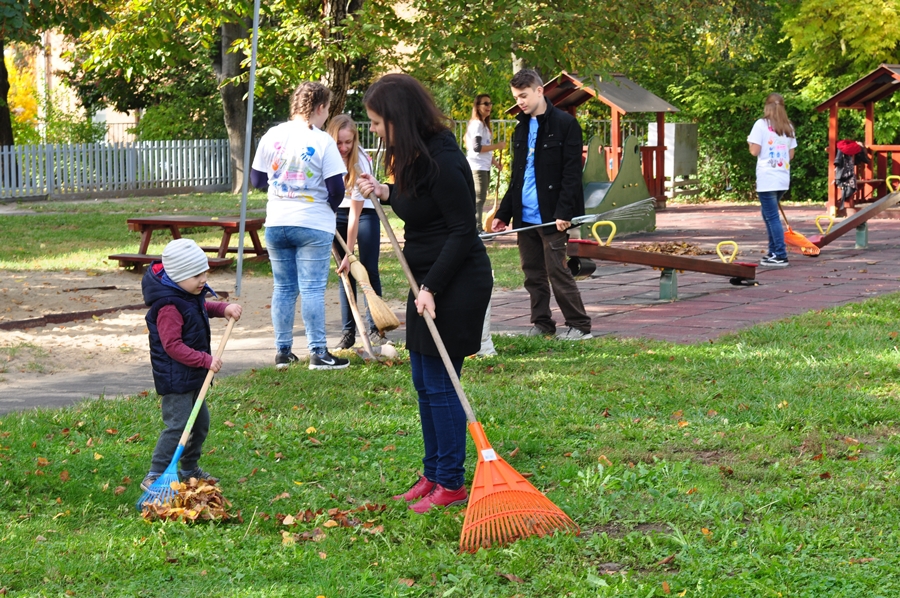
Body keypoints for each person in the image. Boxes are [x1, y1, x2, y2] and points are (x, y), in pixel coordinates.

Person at [357, 74, 492, 514]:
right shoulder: (416, 155)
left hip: (455, 282)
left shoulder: (445, 159)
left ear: (400, 117)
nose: (373, 129)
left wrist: (432, 286)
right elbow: (419, 204)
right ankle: (433, 473)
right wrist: (385, 192)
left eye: (378, 122)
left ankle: (451, 483)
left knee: (441, 384)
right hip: (426, 284)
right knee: (423, 381)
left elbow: (462, 231)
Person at [250, 81, 350, 370]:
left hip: (277, 220)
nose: (327, 115)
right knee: (312, 288)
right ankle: (318, 352)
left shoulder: (272, 135)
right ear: (320, 108)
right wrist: (327, 208)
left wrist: (281, 186)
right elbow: (336, 188)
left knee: (283, 287)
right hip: (312, 221)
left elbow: (257, 179)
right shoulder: (322, 141)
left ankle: (283, 352)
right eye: (327, 109)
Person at [491, 69, 592, 341]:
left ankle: (580, 326)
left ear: (539, 91)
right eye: (516, 97)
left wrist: (564, 212)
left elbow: (572, 174)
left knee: (557, 271)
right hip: (525, 216)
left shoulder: (566, 124)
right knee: (532, 274)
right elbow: (517, 176)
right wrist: (503, 213)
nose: (520, 102)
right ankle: (542, 324)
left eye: (523, 96)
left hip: (553, 216)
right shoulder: (520, 128)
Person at [140, 238, 243, 492]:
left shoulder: (186, 293)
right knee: (178, 426)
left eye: (204, 273)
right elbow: (172, 346)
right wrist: (205, 360)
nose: (203, 280)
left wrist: (223, 308)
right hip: (176, 378)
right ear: (177, 276)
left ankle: (188, 468)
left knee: (199, 423)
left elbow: (200, 308)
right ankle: (155, 474)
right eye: (197, 275)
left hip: (193, 375)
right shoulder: (168, 306)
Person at [326, 114, 386, 350]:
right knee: (345, 273)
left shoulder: (360, 161)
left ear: (355, 140)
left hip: (365, 213)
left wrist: (350, 253)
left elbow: (355, 212)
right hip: (335, 215)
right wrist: (347, 260)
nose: (343, 148)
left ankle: (376, 328)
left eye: (348, 142)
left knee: (368, 269)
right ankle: (348, 332)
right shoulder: (326, 157)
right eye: (339, 143)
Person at [747, 92, 797, 268]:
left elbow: (754, 151)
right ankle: (773, 251)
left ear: (767, 107)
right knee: (768, 213)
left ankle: (780, 254)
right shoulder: (788, 126)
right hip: (782, 176)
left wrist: (749, 143)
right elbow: (791, 154)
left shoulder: (761, 124)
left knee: (772, 216)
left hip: (767, 176)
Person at [465, 94, 505, 233]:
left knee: (480, 198)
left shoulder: (483, 125)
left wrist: (495, 163)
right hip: (477, 166)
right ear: (477, 106)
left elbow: (486, 149)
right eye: (485, 104)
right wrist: (497, 146)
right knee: (478, 198)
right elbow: (477, 148)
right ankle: (477, 229)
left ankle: (476, 228)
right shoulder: (477, 124)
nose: (489, 106)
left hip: (484, 166)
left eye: (490, 103)